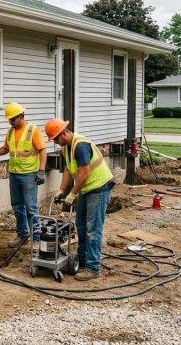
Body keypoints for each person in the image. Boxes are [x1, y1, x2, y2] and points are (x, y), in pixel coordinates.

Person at [44, 118, 114, 281]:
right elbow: (68, 170)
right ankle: (82, 262)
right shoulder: (67, 147)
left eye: (55, 138)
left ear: (64, 133)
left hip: (98, 188)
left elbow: (84, 173)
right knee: (81, 227)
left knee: (92, 229)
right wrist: (61, 190)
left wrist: (72, 194)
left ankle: (92, 267)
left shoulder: (81, 146)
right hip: (87, 189)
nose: (55, 142)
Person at [0, 102, 47, 248]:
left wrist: (41, 171)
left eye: (12, 119)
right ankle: (22, 235)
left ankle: (36, 239)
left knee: (31, 207)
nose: (10, 122)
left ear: (21, 116)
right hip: (14, 174)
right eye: (9, 119)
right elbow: (5, 149)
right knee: (17, 206)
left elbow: (42, 150)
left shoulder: (33, 130)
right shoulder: (10, 132)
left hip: (29, 174)